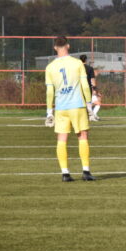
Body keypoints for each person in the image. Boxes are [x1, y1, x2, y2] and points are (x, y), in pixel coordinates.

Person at [45, 36, 95, 182]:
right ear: (68, 45)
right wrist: (89, 104)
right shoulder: (77, 63)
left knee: (62, 139)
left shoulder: (50, 67)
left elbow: (49, 91)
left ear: (55, 47)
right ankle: (86, 171)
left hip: (61, 108)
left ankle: (65, 173)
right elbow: (85, 85)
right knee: (82, 137)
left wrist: (49, 111)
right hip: (77, 105)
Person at [80, 54, 99, 121]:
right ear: (86, 60)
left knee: (80, 102)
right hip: (87, 87)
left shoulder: (77, 68)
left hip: (79, 88)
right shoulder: (90, 68)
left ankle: (81, 117)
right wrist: (94, 88)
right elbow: (92, 79)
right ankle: (91, 116)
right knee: (88, 102)